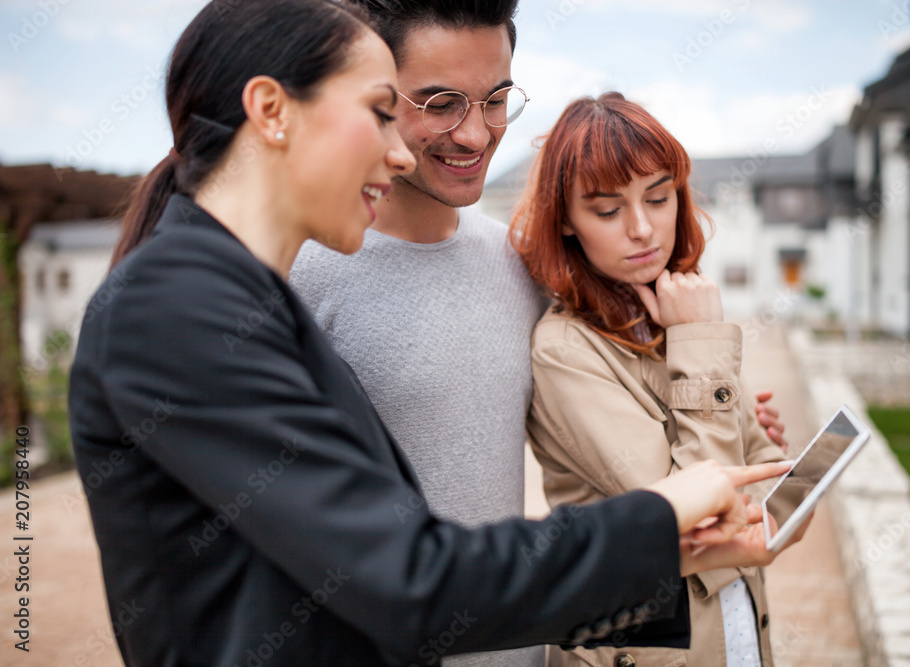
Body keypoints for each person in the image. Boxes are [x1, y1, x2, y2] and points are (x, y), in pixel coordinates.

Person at [69, 2, 801, 665]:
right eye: (385, 110)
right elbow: (407, 576)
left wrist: (717, 403)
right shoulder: (178, 310)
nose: (399, 151)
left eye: (494, 98)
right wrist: (665, 517)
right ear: (271, 110)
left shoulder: (241, 293)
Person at [289, 4, 786, 665]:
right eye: (440, 102)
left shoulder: (523, 267)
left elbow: (617, 388)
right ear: (375, 92)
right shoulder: (300, 271)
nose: (474, 133)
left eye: (496, 99)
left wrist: (724, 402)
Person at [510, 93, 799, 667]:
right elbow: (696, 514)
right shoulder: (564, 349)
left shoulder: (674, 316)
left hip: (737, 621)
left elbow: (777, 491)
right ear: (566, 219)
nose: (642, 229)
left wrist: (768, 498)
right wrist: (701, 349)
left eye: (658, 198)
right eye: (607, 210)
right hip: (646, 646)